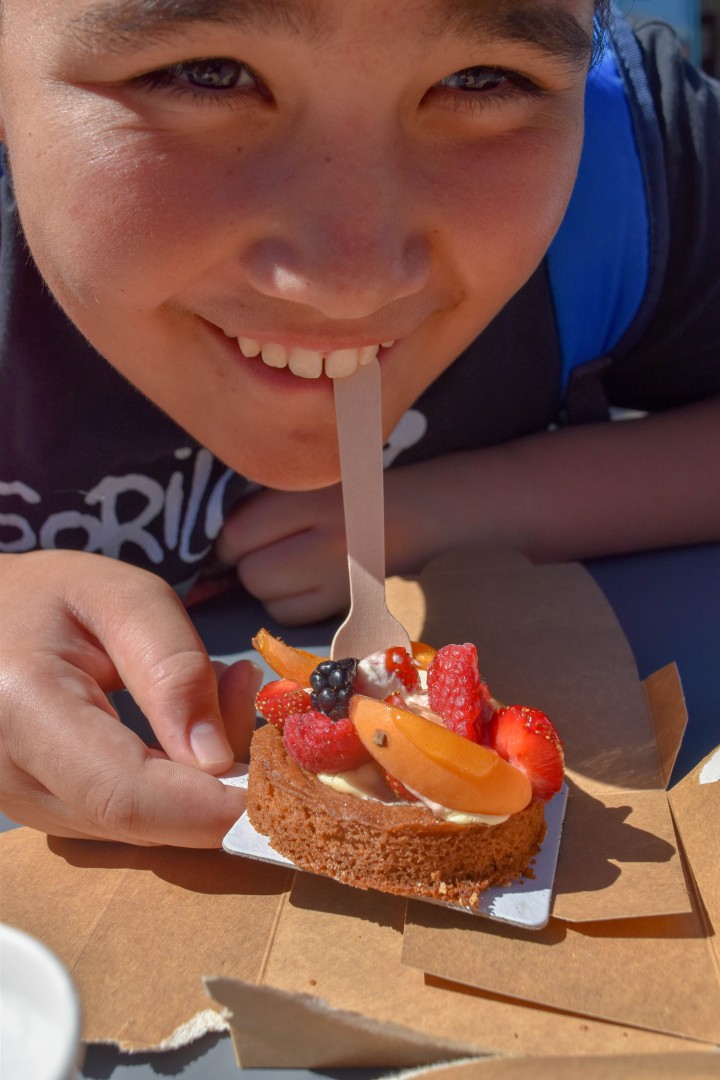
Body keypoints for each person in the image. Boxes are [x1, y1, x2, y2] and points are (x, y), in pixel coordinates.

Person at [0, 0, 718, 847]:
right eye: (206, 75)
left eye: (480, 79)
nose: (353, 282)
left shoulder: (635, 174)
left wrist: (460, 508)